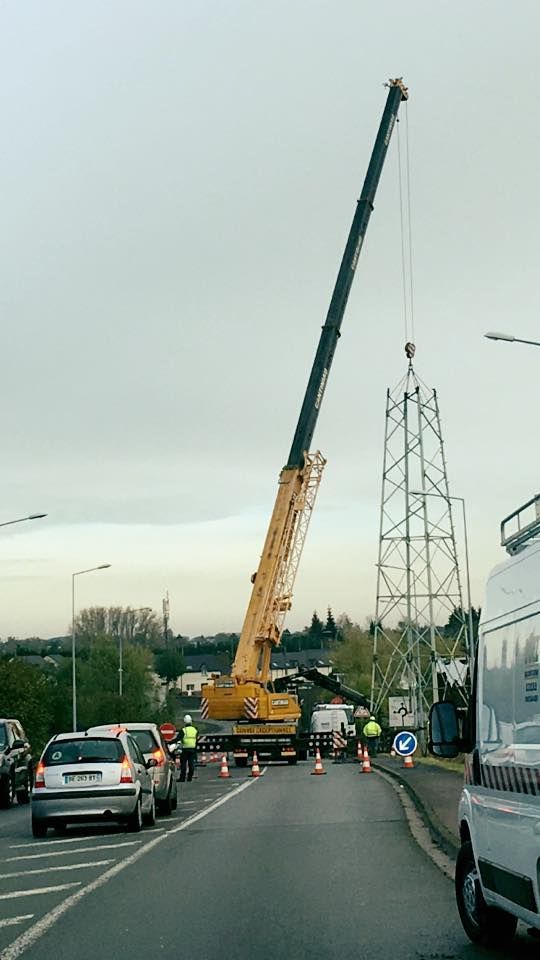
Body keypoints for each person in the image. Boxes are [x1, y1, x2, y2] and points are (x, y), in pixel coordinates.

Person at [179, 714, 198, 782]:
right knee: (191, 764)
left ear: (184, 722)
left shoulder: (183, 730)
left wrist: (169, 742)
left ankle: (182, 778)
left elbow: (178, 738)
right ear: (191, 722)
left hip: (185, 749)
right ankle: (190, 777)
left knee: (183, 764)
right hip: (192, 749)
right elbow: (196, 740)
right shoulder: (195, 730)